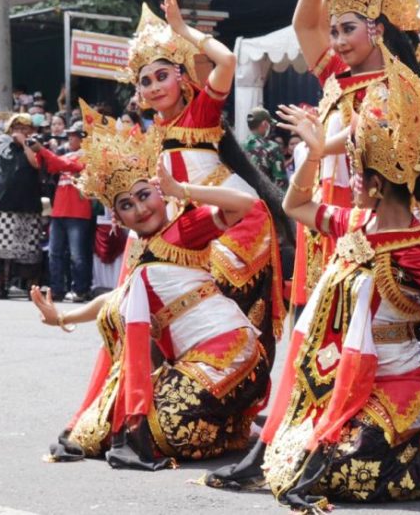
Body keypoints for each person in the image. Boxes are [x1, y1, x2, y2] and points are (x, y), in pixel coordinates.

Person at [204, 53, 420, 511]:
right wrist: (317, 154)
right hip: (347, 379)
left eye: (357, 171)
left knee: (345, 467)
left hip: (403, 384)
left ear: (377, 183)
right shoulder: (355, 223)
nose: (350, 180)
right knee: (309, 456)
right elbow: (295, 205)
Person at [32, 119, 270, 469]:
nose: (141, 210)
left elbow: (247, 205)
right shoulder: (140, 251)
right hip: (192, 364)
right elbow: (115, 301)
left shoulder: (184, 229)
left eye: (145, 195)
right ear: (118, 217)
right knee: (99, 432)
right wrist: (62, 318)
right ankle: (235, 428)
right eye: (128, 205)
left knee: (165, 430)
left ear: (159, 192)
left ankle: (237, 431)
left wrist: (183, 189)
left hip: (231, 354)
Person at [282, 0, 420, 315]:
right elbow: (302, 25)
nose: (339, 41)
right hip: (330, 219)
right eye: (334, 32)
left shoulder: (400, 87)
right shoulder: (336, 75)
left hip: (378, 221)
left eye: (348, 29)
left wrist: (318, 146)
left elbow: (364, 134)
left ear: (377, 29)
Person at [126, 0, 288, 360]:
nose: (154, 87)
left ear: (181, 76)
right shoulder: (150, 136)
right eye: (146, 81)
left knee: (231, 304)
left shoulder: (200, 112)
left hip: (233, 218)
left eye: (162, 76)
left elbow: (228, 60)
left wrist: (182, 29)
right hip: (189, 221)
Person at [0, 113, 43, 299]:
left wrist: (25, 143)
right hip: (2, 204)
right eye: (17, 128)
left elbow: (36, 164)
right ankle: (0, 285)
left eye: (25, 128)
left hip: (29, 205)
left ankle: (32, 288)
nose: (20, 132)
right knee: (0, 248)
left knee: (29, 250)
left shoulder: (36, 147)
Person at [34, 122, 93, 302]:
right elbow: (48, 165)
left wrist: (42, 150)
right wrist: (38, 149)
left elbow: (65, 165)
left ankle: (81, 289)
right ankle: (57, 289)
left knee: (77, 255)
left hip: (78, 212)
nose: (70, 138)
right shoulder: (66, 154)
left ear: (84, 138)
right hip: (59, 211)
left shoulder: (91, 157)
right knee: (54, 253)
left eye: (74, 135)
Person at [243, 107, 288, 191]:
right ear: (265, 124)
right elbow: (280, 181)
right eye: (270, 125)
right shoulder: (272, 147)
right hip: (265, 199)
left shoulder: (241, 146)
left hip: (243, 197)